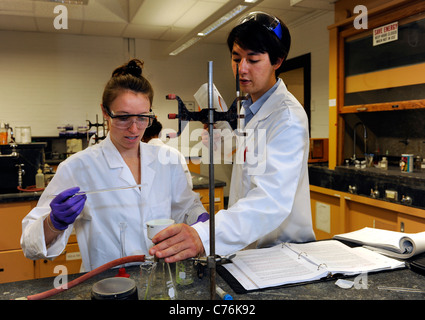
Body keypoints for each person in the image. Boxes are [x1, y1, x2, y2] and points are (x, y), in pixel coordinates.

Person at [149, 11, 315, 263]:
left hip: (282, 252)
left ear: (278, 61)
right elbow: (248, 163)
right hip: (249, 248)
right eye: (236, 58)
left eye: (253, 59)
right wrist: (222, 141)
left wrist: (204, 235)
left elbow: (271, 201)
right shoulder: (245, 108)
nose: (242, 69)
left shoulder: (287, 118)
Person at [21, 59, 206, 271]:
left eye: (143, 117)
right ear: (105, 112)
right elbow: (29, 246)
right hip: (106, 285)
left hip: (162, 280)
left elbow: (186, 208)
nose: (134, 128)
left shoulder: (169, 159)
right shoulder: (78, 167)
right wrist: (53, 223)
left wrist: (200, 219)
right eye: (123, 118)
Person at [142, 117, 193, 187]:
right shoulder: (175, 153)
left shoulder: (140, 155)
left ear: (142, 137)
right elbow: (188, 185)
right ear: (159, 134)